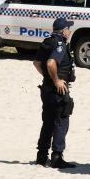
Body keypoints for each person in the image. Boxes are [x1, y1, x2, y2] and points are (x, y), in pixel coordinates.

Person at [32, 18, 77, 169]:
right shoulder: (59, 44)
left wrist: (48, 78)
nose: (69, 31)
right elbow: (51, 63)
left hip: (46, 89)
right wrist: (56, 80)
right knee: (61, 121)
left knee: (48, 123)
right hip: (58, 90)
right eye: (68, 29)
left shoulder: (47, 41)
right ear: (63, 30)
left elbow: (37, 63)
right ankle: (57, 157)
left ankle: (41, 157)